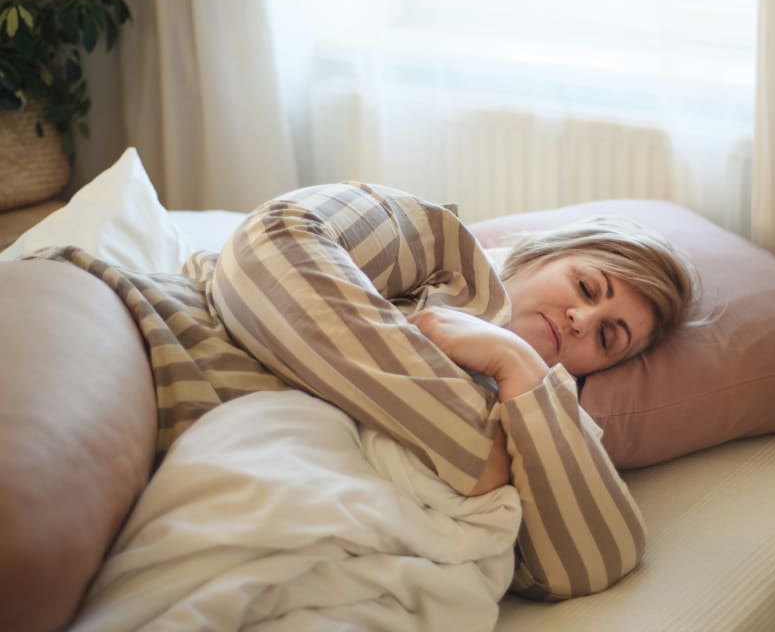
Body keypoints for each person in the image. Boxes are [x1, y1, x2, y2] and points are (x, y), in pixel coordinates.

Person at [30, 181, 695, 601]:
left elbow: (594, 561)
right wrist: (481, 459)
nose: (582, 322)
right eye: (587, 287)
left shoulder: (539, 408)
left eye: (608, 338)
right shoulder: (439, 251)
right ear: (547, 252)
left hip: (170, 458)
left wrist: (513, 363)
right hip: (130, 331)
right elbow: (267, 251)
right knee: (27, 548)